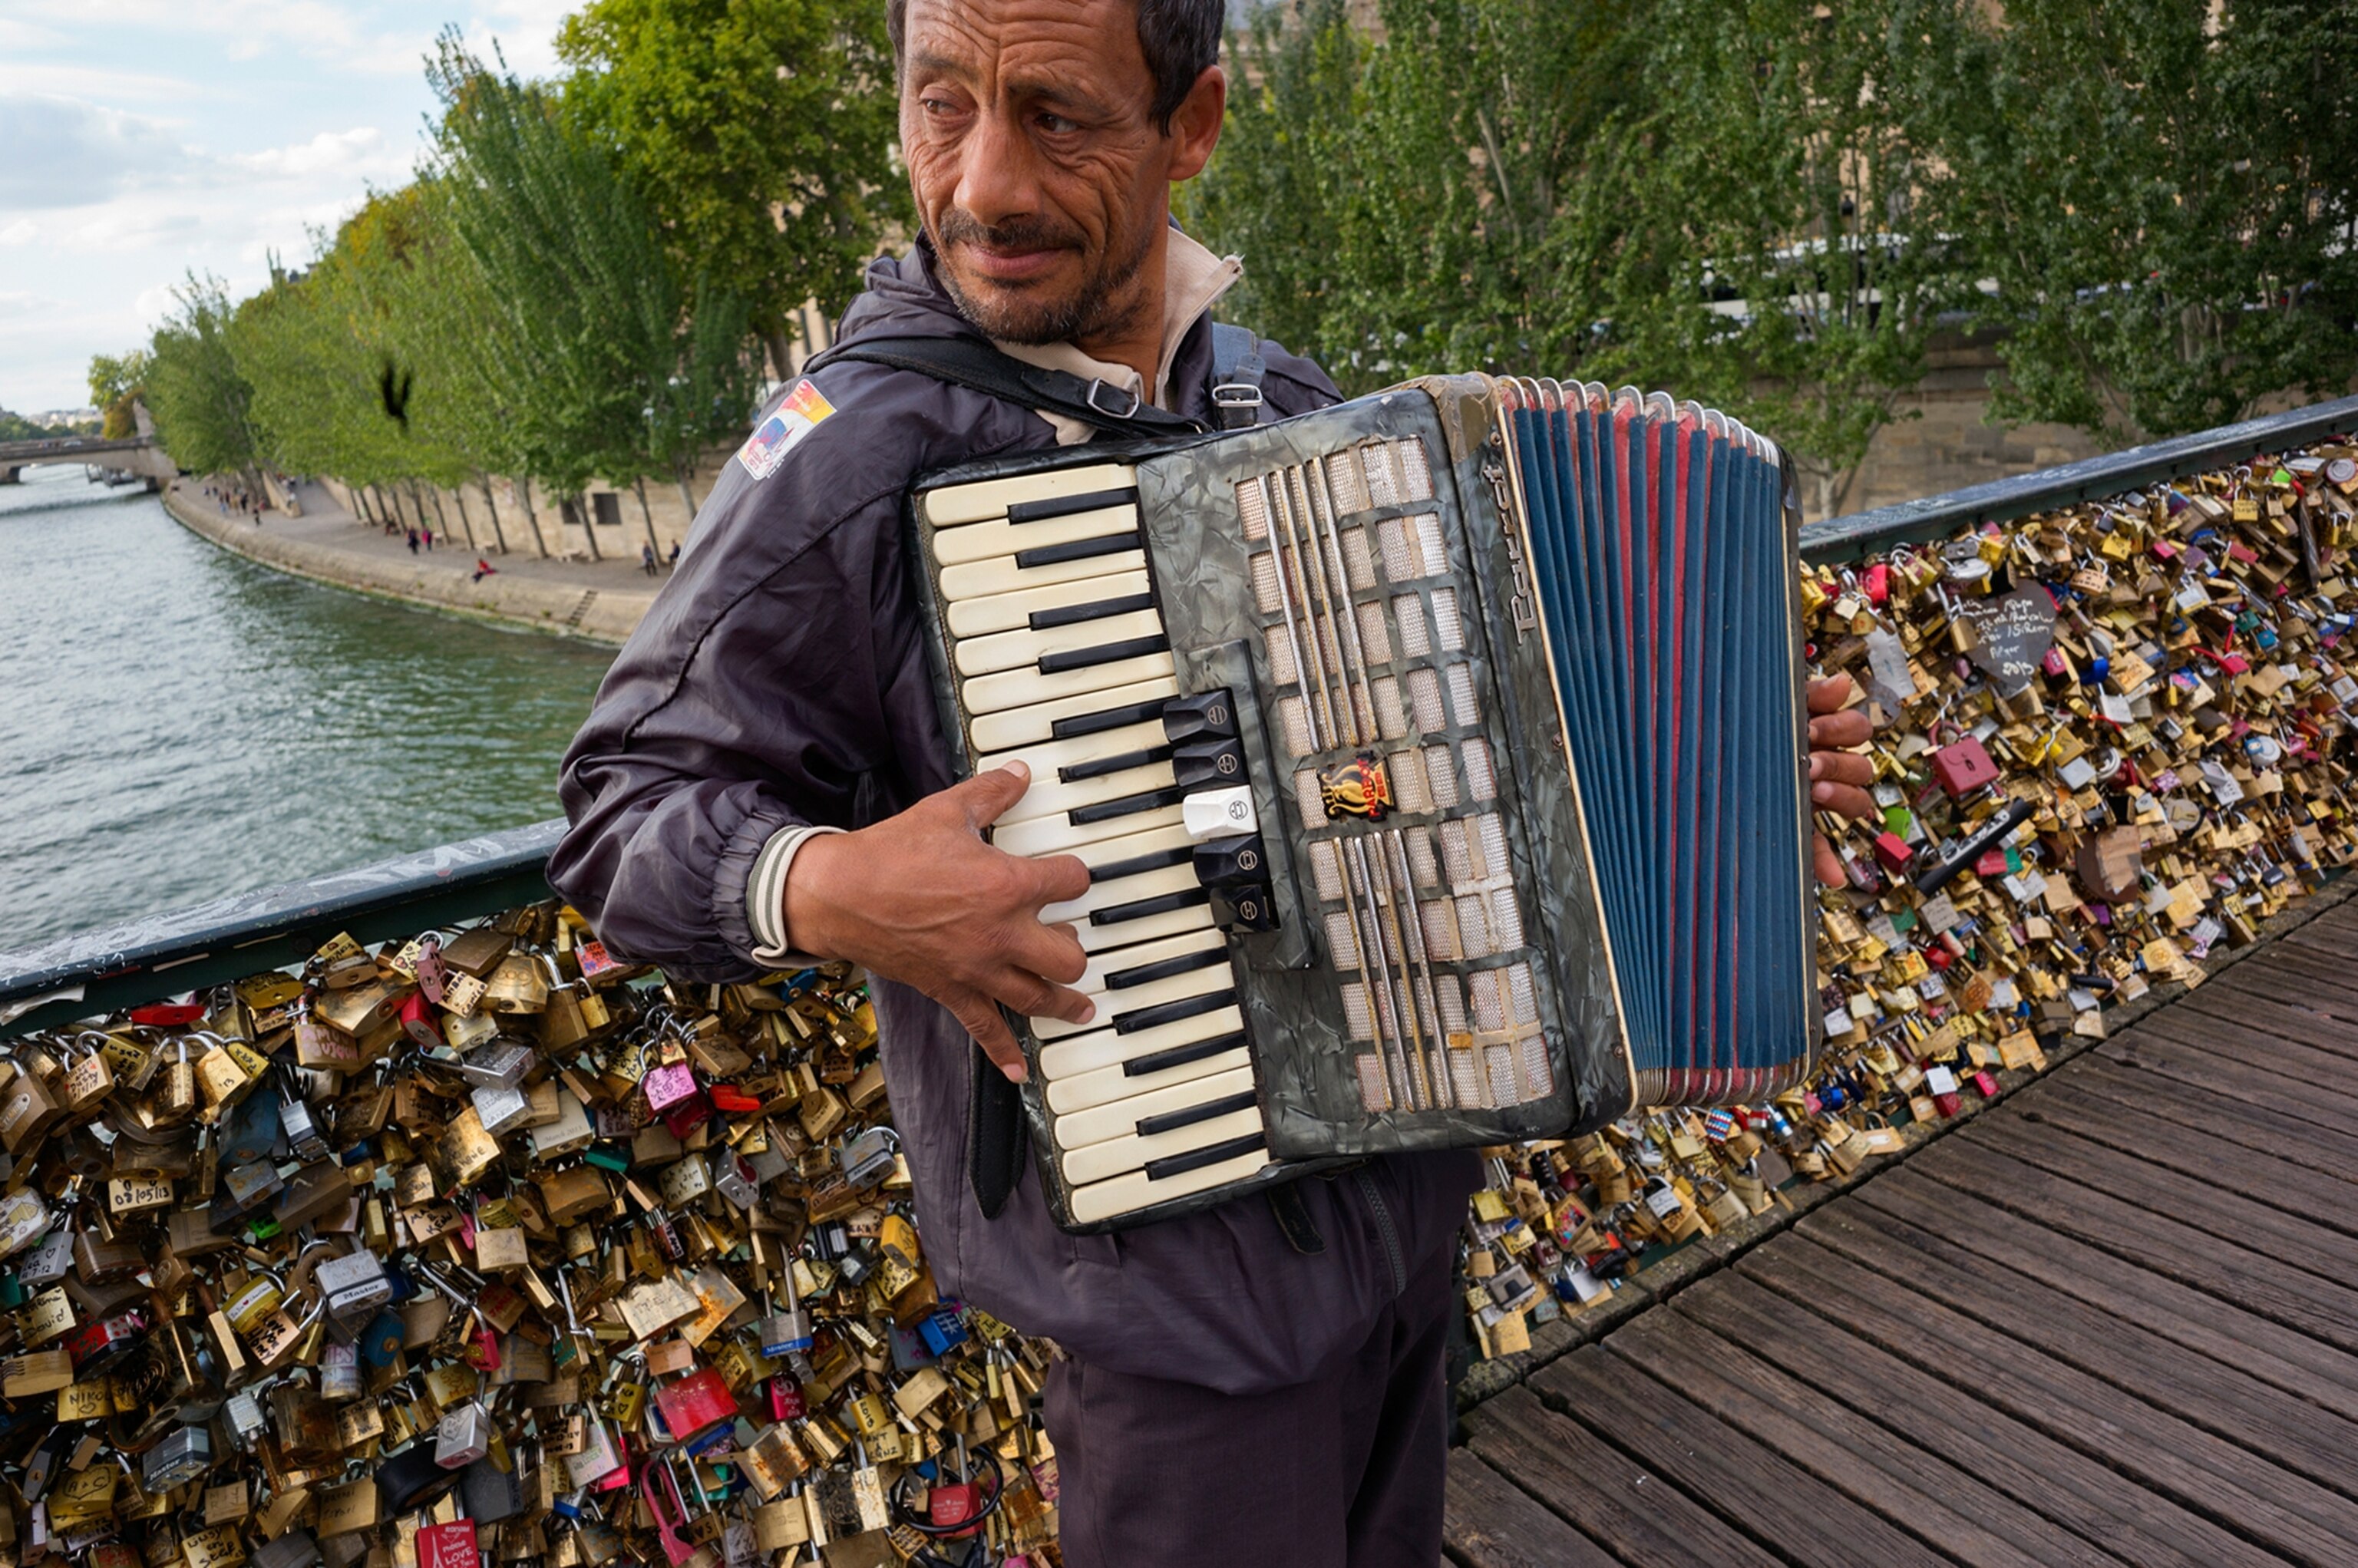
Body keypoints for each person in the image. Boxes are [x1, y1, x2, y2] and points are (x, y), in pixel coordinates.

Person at [548, 3, 1875, 1562]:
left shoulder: (1272, 395)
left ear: (1193, 126)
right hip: (1174, 1318)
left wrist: (1705, 760)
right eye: (940, 104)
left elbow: (1413, 772)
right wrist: (832, 886)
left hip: (1399, 1228)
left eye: (1056, 115)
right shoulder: (857, 447)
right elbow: (617, 809)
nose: (982, 183)